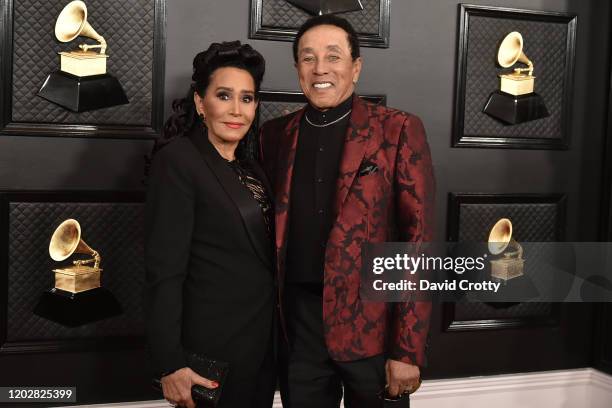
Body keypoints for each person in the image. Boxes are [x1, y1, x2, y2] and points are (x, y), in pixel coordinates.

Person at [259, 15, 435, 407]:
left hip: (373, 330)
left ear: (355, 67)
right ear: (297, 69)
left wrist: (407, 350)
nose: (320, 68)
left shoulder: (398, 129)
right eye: (308, 58)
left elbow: (419, 240)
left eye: (333, 56)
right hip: (300, 331)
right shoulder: (273, 135)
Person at [145, 41, 276, 408]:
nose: (237, 110)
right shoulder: (178, 161)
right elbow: (164, 272)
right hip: (208, 355)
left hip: (259, 349)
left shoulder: (251, 165)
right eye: (224, 95)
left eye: (247, 98)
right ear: (201, 102)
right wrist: (169, 364)